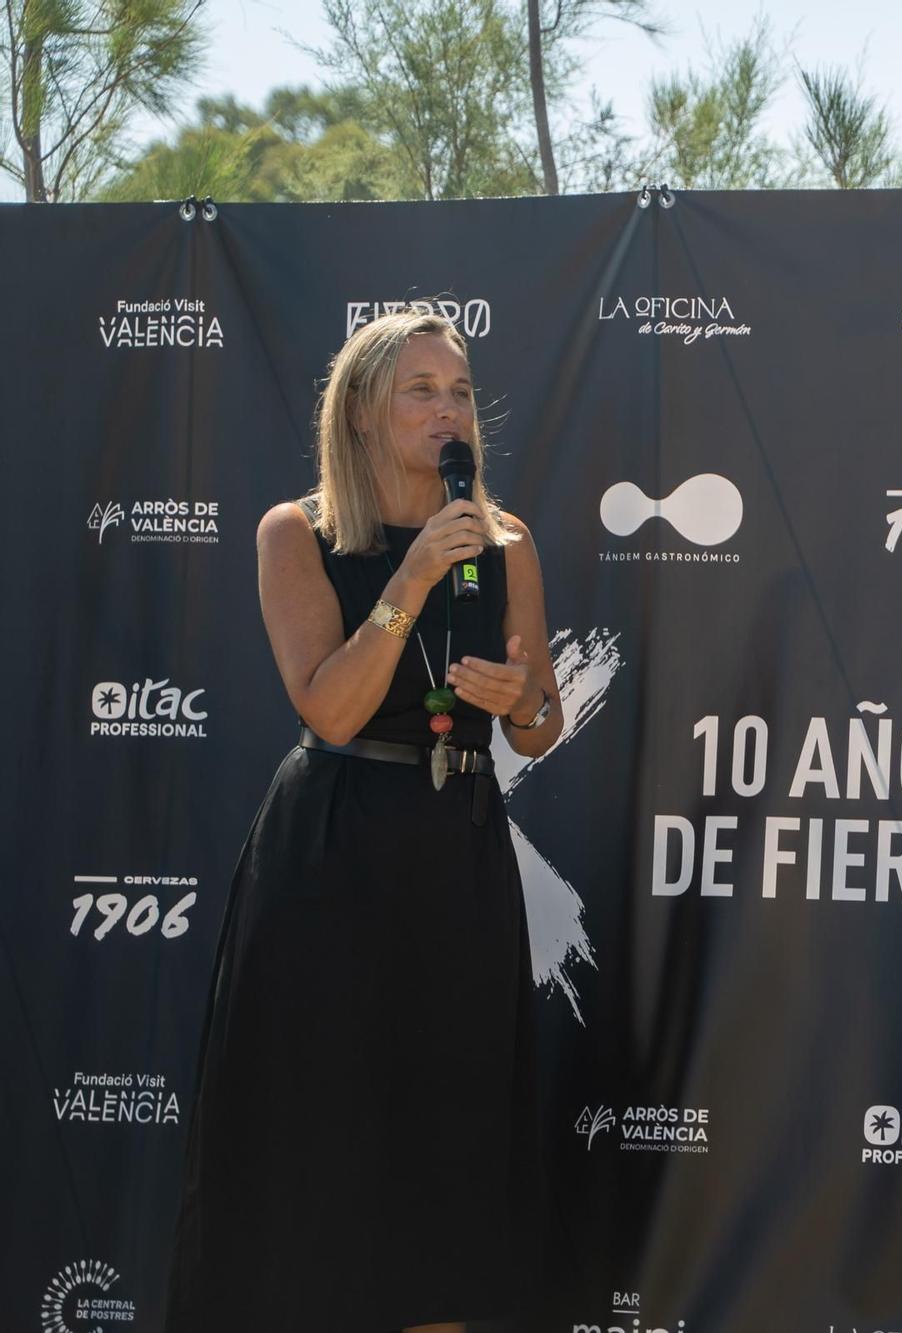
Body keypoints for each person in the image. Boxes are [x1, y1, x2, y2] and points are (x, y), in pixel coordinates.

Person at [164, 309, 565, 1333]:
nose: (447, 410)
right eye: (420, 390)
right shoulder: (294, 531)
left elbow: (541, 727)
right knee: (316, 1157)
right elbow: (330, 706)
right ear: (361, 407)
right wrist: (413, 575)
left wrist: (516, 696)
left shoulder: (507, 539)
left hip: (456, 859)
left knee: (448, 1165)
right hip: (330, 859)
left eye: (461, 390)